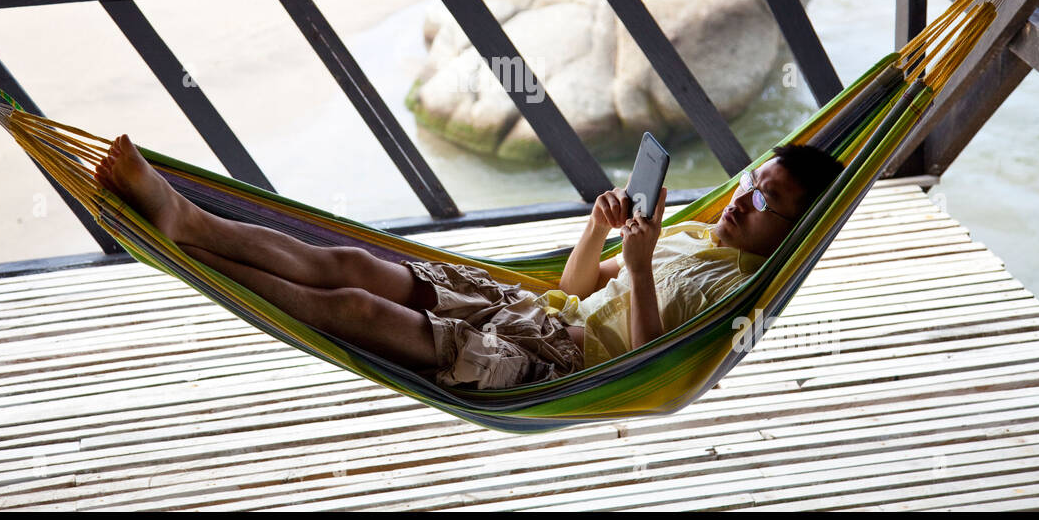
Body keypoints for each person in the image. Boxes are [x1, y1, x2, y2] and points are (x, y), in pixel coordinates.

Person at [93, 135, 842, 392]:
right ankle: (189, 220)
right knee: (353, 261)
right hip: (535, 312)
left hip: (559, 368)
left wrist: (640, 270)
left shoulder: (745, 292)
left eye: (768, 202)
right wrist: (598, 232)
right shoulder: (697, 236)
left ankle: (188, 243)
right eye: (753, 181)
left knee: (358, 313)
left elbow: (644, 367)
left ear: (794, 231)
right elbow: (577, 287)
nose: (744, 199)